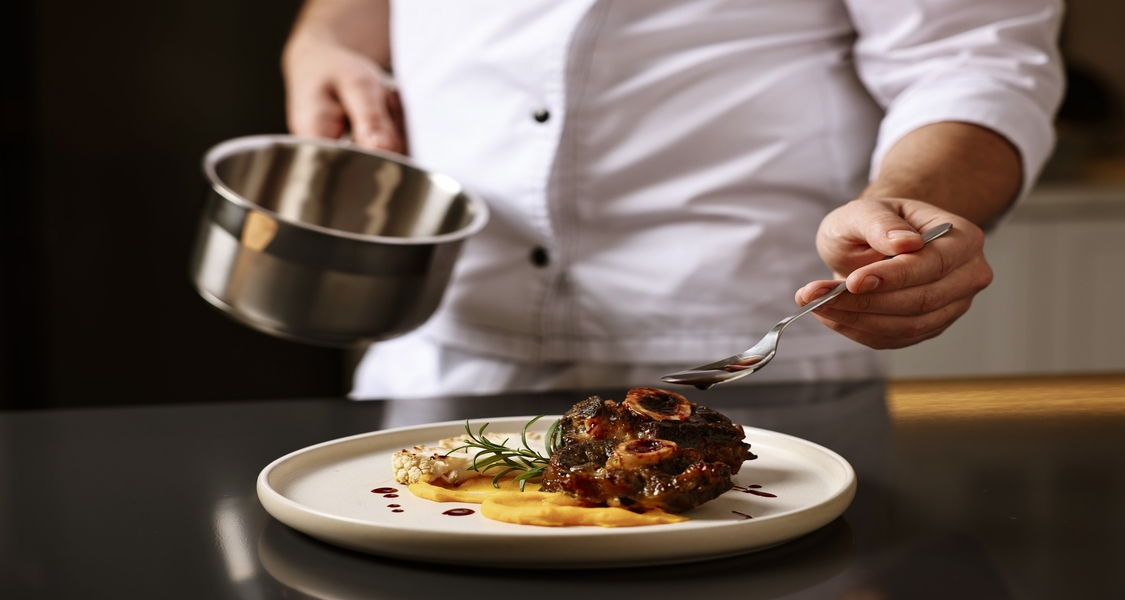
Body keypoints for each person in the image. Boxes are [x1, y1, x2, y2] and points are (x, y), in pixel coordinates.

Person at [282, 0, 1063, 399]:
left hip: (750, 368)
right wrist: (326, 36)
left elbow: (971, 59)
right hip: (440, 351)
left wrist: (905, 202)